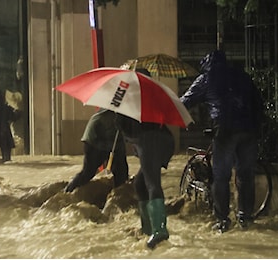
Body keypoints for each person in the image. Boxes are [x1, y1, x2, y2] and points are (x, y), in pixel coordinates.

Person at [179, 50, 264, 233]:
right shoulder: (241, 75)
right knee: (246, 175)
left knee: (221, 176)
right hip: (249, 129)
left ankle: (223, 220)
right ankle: (245, 217)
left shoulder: (206, 78)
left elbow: (184, 102)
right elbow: (258, 101)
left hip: (225, 130)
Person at [115, 68, 174, 249]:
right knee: (140, 184)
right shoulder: (150, 94)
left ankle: (159, 230)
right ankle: (147, 229)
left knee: (151, 183)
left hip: (151, 140)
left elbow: (122, 123)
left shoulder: (129, 94)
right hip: (161, 140)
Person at [65, 108, 128, 192]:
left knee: (121, 171)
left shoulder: (116, 112)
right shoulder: (113, 117)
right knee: (88, 172)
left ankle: (119, 195)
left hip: (108, 141)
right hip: (94, 143)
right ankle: (68, 191)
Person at [0, 88, 21, 162]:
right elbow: (13, 117)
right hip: (5, 131)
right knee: (7, 157)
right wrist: (18, 111)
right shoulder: (6, 107)